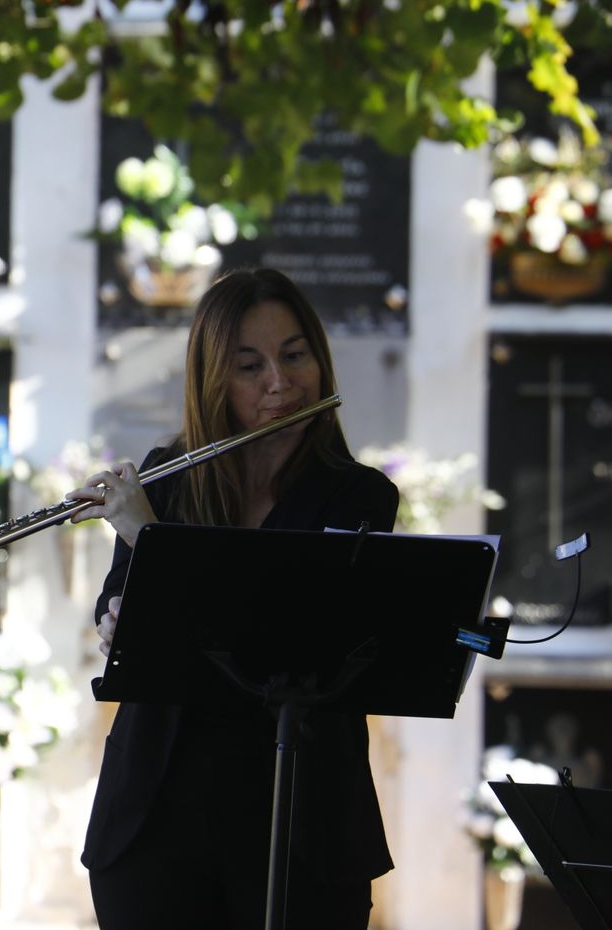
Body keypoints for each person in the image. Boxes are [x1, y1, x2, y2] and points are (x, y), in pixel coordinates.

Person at [67, 267, 398, 929]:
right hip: (154, 823)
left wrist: (150, 538)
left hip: (299, 824)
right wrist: (119, 621)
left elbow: (272, 639)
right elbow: (123, 622)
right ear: (214, 378)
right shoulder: (167, 477)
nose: (279, 382)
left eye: (295, 355)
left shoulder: (357, 498)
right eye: (250, 366)